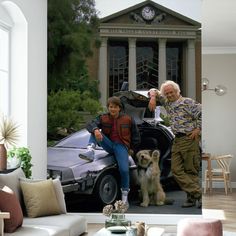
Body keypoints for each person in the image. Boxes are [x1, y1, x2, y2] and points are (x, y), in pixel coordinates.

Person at [148, 80, 202, 208]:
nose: (169, 95)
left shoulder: (187, 102)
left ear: (178, 92)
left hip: (189, 138)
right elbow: (152, 90)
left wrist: (198, 129)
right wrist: (153, 98)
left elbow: (203, 114)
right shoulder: (167, 102)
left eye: (171, 92)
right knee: (176, 170)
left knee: (191, 170)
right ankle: (198, 193)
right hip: (177, 139)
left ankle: (192, 198)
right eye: (167, 93)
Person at [79, 96, 140, 206]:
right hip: (109, 144)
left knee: (124, 170)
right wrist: (96, 129)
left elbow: (136, 136)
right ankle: (90, 152)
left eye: (115, 107)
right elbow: (91, 124)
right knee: (94, 130)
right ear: (108, 107)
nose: (112, 109)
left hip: (121, 146)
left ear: (119, 108)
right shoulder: (103, 117)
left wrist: (132, 150)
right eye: (111, 107)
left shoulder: (128, 119)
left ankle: (124, 197)